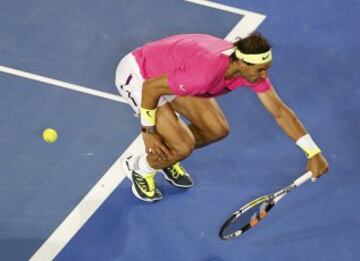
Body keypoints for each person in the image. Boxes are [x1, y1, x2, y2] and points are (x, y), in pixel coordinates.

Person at [115, 32, 329, 202]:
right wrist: (148, 132)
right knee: (182, 146)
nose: (264, 76)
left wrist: (312, 151)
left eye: (267, 69)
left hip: (175, 71)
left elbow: (280, 111)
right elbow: (151, 88)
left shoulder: (245, 70)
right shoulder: (203, 76)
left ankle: (168, 157)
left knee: (217, 129)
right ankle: (140, 167)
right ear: (242, 64)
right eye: (261, 70)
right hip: (141, 76)